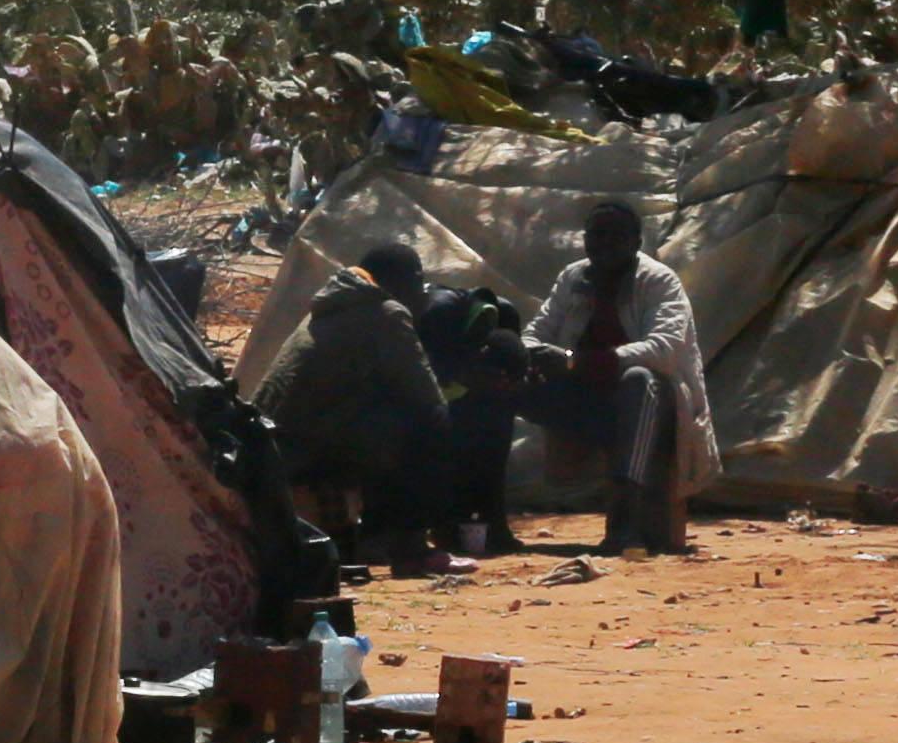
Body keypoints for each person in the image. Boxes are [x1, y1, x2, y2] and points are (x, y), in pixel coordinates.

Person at [260, 241, 481, 559]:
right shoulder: (387, 313)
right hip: (307, 447)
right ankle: (413, 547)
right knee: (432, 424)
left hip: (276, 443)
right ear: (410, 280)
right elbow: (426, 396)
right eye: (419, 283)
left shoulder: (330, 307)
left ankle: (377, 534)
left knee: (386, 421)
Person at [526, 199, 716, 551]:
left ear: (636, 242)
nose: (605, 244)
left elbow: (665, 348)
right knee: (497, 382)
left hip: (650, 403)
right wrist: (528, 356)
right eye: (597, 235)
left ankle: (624, 520)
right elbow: (538, 331)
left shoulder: (658, 281)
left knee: (638, 381)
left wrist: (577, 362)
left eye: (617, 236)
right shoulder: (574, 277)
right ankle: (480, 518)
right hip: (584, 397)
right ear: (585, 240)